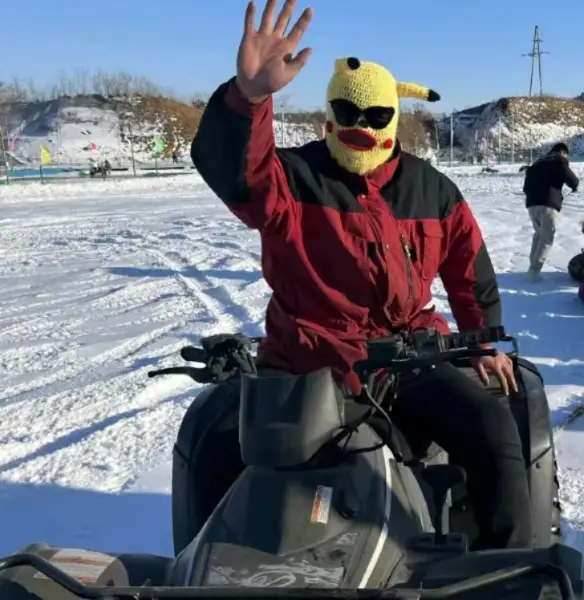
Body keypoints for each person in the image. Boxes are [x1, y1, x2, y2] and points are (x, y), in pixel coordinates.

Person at [188, 0, 531, 550]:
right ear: (330, 117)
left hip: (407, 357)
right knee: (220, 448)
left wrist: (484, 341)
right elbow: (237, 175)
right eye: (347, 115)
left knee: (493, 432)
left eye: (374, 117)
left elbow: (470, 272)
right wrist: (247, 99)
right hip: (308, 363)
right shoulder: (294, 179)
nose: (360, 127)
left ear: (393, 119)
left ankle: (510, 570)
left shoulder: (432, 189)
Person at [523, 142, 579, 282]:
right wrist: (573, 186)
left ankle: (532, 266)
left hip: (531, 204)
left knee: (539, 234)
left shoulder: (537, 163)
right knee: (546, 238)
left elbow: (525, 187)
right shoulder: (559, 160)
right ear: (563, 152)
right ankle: (534, 273)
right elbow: (573, 180)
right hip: (548, 204)